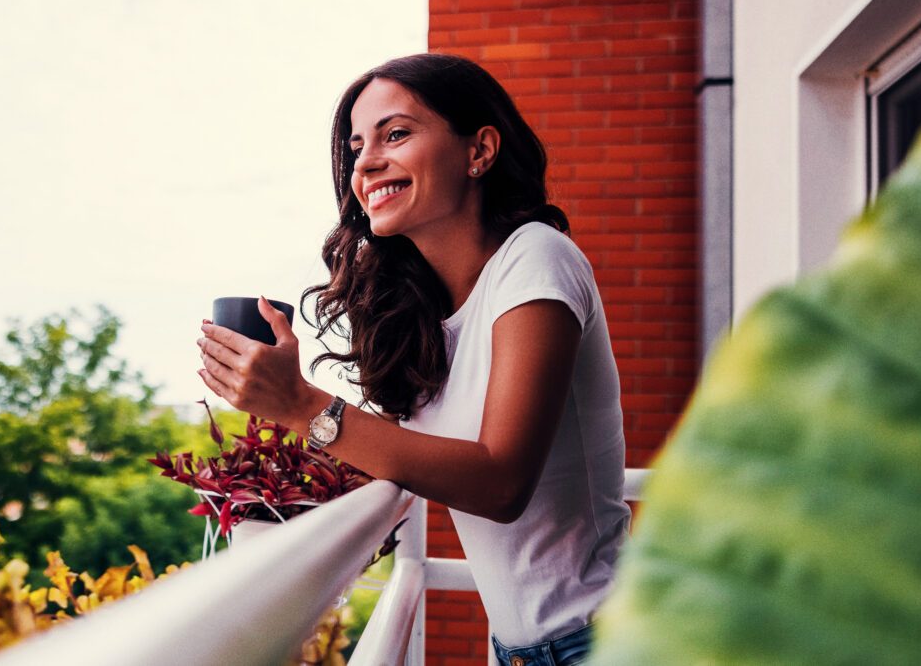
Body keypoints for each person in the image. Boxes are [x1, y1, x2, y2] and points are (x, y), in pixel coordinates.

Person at [196, 53, 630, 666]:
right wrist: (268, 494)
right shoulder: (422, 311)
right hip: (525, 649)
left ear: (479, 151)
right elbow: (413, 458)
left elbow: (501, 483)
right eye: (355, 146)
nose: (366, 162)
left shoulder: (537, 259)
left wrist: (298, 404)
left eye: (395, 133)